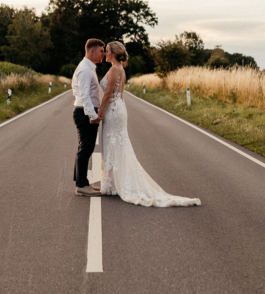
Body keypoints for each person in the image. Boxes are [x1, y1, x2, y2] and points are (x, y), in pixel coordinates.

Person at [98, 41, 201, 207]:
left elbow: (108, 94)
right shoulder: (121, 69)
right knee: (118, 145)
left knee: (113, 144)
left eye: (107, 50)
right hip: (120, 108)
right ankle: (113, 183)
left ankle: (112, 184)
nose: (105, 53)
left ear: (114, 54)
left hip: (113, 110)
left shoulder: (113, 69)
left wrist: (99, 112)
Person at [71, 38, 105, 197]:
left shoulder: (89, 67)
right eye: (101, 50)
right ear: (92, 51)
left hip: (84, 112)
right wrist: (92, 115)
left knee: (85, 148)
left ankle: (82, 181)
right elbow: (85, 95)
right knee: (86, 148)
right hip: (84, 113)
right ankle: (81, 186)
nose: (103, 54)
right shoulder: (85, 69)